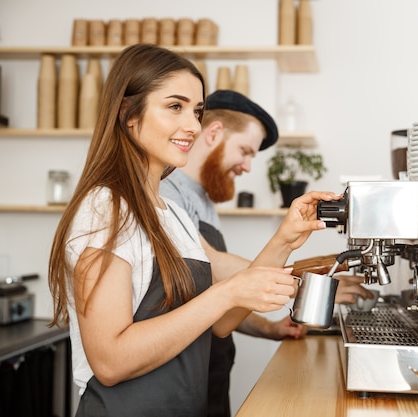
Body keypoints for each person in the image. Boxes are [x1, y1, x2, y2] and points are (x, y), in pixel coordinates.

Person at [47, 43, 341, 417]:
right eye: (175, 107)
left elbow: (220, 323)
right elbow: (110, 361)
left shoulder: (172, 214)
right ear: (128, 113)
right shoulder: (106, 208)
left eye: (197, 111)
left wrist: (284, 238)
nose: (193, 126)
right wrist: (229, 291)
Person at [160, 89, 373, 417]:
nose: (246, 166)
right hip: (176, 377)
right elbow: (213, 267)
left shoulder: (202, 198)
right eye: (245, 151)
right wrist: (307, 282)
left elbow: (216, 295)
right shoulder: (167, 192)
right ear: (214, 132)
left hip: (211, 369)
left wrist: (268, 328)